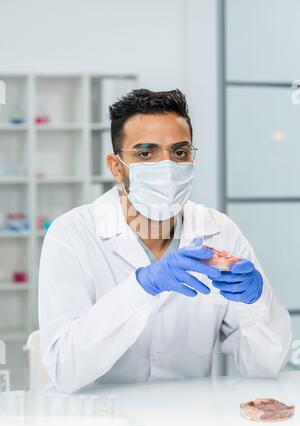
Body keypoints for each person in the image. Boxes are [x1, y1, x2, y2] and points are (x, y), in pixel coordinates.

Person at [39, 89, 292, 393]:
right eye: (146, 153)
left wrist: (256, 302)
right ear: (116, 166)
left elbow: (264, 368)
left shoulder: (220, 230)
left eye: (180, 152)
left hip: (188, 422)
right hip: (101, 425)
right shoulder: (72, 234)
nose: (167, 166)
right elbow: (64, 369)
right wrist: (141, 287)